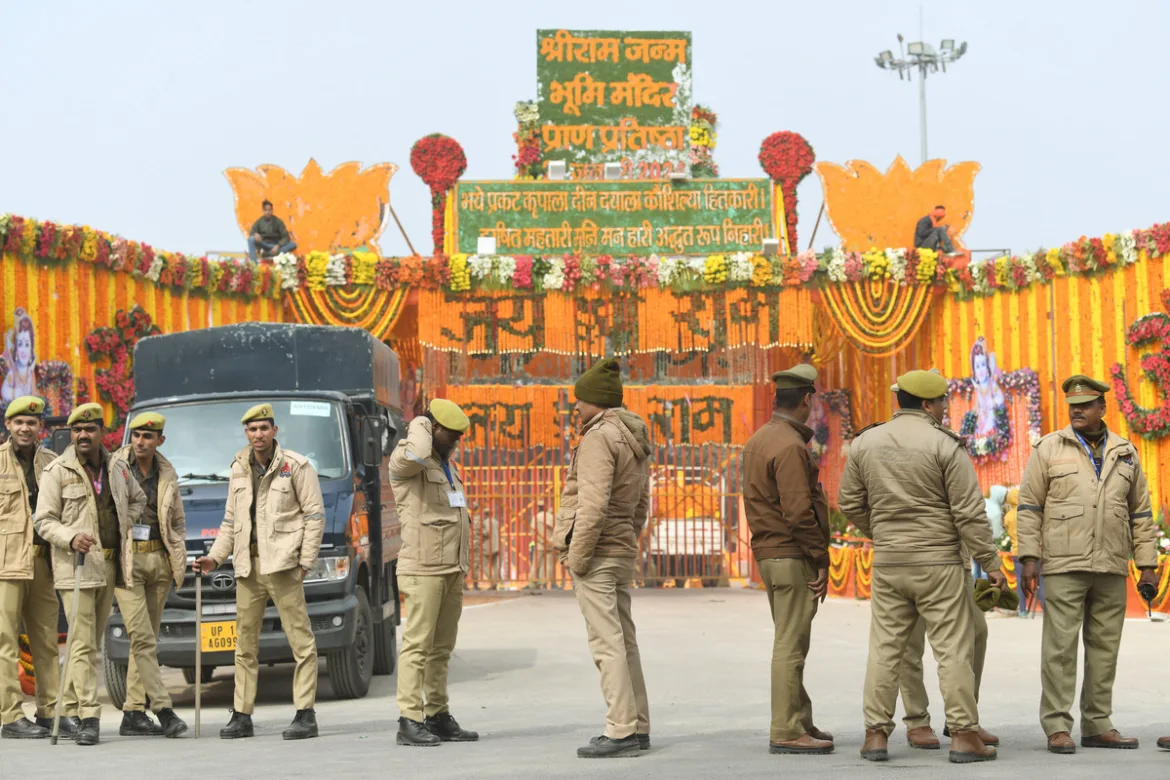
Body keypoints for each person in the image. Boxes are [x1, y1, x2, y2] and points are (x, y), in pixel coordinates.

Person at [839, 370, 1006, 765]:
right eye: (943, 402)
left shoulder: (865, 442)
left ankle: (875, 735)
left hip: (890, 563)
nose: (946, 409)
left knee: (885, 648)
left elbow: (849, 502)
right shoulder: (945, 445)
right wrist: (991, 562)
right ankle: (964, 734)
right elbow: (968, 513)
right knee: (952, 648)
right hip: (940, 564)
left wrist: (882, 533)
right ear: (929, 404)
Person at [1018, 375, 1158, 754]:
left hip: (1111, 565)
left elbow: (1141, 513)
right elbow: (1029, 507)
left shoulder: (1125, 452)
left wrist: (1147, 563)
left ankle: (1097, 724)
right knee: (1059, 650)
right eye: (1072, 405)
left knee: (1104, 649)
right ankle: (1057, 727)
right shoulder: (1049, 448)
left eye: (1085, 404)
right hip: (1064, 564)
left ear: (1102, 408)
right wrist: (1029, 557)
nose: (1077, 410)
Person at [192, 403, 326, 741]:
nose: (258, 435)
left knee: (301, 642)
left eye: (264, 428)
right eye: (252, 429)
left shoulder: (296, 466)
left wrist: (305, 561)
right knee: (244, 646)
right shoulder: (238, 467)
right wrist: (214, 558)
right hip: (246, 568)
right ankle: (241, 715)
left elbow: (314, 515)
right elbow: (229, 521)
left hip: (283, 566)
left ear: (275, 431)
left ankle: (305, 713)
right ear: (246, 433)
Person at [553, 358, 652, 759]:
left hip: (597, 553)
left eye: (580, 401)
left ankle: (621, 729)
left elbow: (591, 506)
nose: (575, 407)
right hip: (620, 549)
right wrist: (629, 537)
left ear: (598, 401)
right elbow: (642, 502)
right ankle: (638, 725)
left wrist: (577, 557)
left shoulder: (598, 438)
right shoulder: (632, 438)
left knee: (606, 642)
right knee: (624, 641)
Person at [35, 402, 147, 747]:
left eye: (90, 429)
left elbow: (138, 499)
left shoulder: (118, 467)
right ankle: (88, 715)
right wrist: (70, 536)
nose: (83, 435)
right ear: (72, 434)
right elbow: (43, 521)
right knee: (82, 645)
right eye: (77, 430)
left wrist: (125, 523)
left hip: (110, 566)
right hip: (76, 569)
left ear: (102, 432)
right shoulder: (57, 470)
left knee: (89, 644)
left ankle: (67, 708)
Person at [741, 363, 833, 755]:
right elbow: (798, 511)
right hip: (792, 553)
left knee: (789, 639)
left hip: (770, 552)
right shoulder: (791, 446)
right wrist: (821, 556)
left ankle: (799, 718)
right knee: (791, 645)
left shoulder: (759, 439)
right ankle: (785, 729)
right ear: (808, 400)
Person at [389, 399, 479, 747]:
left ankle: (437, 715)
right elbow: (417, 451)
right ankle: (409, 719)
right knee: (417, 647)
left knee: (442, 648)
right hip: (423, 568)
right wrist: (420, 424)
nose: (455, 440)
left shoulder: (446, 465)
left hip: (451, 568)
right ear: (432, 428)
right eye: (450, 433)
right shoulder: (408, 459)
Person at [111, 412, 188, 738]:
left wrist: (176, 558)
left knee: (145, 640)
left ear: (160, 440)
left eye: (148, 436)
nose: (141, 441)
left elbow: (178, 521)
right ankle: (163, 709)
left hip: (159, 561)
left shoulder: (167, 471)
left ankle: (132, 712)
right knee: (141, 637)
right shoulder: (114, 468)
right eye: (137, 435)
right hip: (127, 563)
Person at [0, 397, 61, 740]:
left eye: (32, 423)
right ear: (8, 425)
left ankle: (50, 710)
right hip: (5, 565)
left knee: (46, 641)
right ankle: (10, 716)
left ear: (41, 428)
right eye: (19, 422)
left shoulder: (53, 464)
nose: (25, 428)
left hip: (44, 560)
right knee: (4, 641)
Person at [2, 309, 39, 405]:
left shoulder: (31, 373)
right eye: (20, 344)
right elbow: (4, 392)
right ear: (16, 349)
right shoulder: (13, 372)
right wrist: (17, 396)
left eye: (27, 345)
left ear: (31, 348)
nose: (23, 350)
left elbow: (34, 397)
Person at [529, 498, 559, 589]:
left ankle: (533, 583)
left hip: (539, 545)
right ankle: (550, 582)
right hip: (550, 544)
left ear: (538, 508)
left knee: (535, 565)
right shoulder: (551, 517)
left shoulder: (536, 517)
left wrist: (541, 540)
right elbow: (556, 530)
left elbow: (533, 532)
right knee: (549, 565)